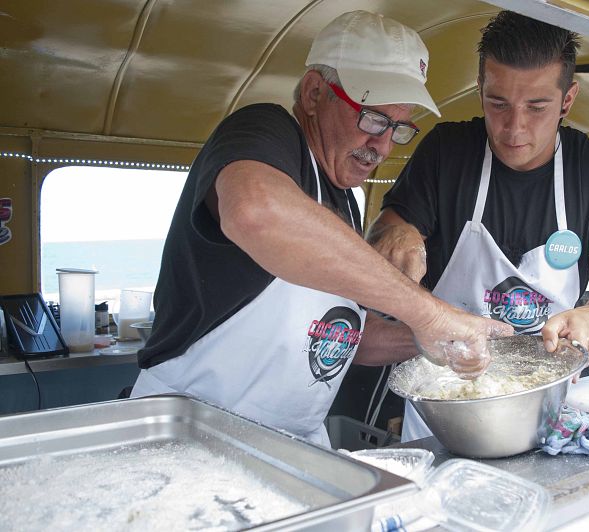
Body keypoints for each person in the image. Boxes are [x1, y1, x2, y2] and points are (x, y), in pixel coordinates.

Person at [129, 10, 512, 446]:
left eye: (398, 128)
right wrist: (429, 312)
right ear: (314, 93)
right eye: (372, 118)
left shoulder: (345, 202)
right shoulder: (267, 133)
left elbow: (344, 336)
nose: (382, 145)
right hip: (191, 433)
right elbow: (256, 211)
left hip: (294, 442)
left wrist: (434, 339)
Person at [368, 11, 589, 442]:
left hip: (545, 403)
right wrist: (397, 234)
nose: (514, 128)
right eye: (498, 103)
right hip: (444, 405)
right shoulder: (446, 152)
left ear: (567, 100)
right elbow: (385, 241)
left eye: (537, 107)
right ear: (481, 90)